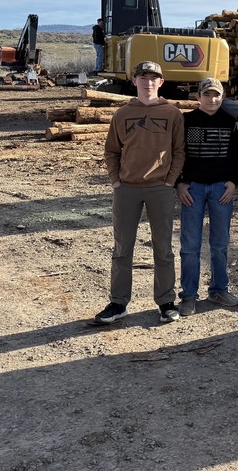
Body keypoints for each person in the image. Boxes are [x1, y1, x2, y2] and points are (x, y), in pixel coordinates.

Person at [95, 60, 186, 324]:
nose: (148, 82)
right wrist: (115, 180)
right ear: (134, 81)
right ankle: (118, 303)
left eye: (153, 78)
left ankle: (166, 302)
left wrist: (169, 181)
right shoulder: (122, 114)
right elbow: (111, 151)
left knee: (163, 248)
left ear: (161, 82)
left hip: (159, 188)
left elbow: (179, 151)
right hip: (127, 190)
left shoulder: (172, 113)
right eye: (142, 77)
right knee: (123, 247)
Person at [175, 77, 238, 316]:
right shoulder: (186, 121)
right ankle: (188, 295)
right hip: (192, 189)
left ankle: (218, 289)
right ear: (198, 97)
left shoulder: (231, 122)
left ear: (223, 97)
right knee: (190, 245)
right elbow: (176, 154)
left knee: (219, 243)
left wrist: (233, 183)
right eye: (207, 95)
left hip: (220, 190)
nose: (212, 99)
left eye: (216, 95)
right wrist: (179, 184)